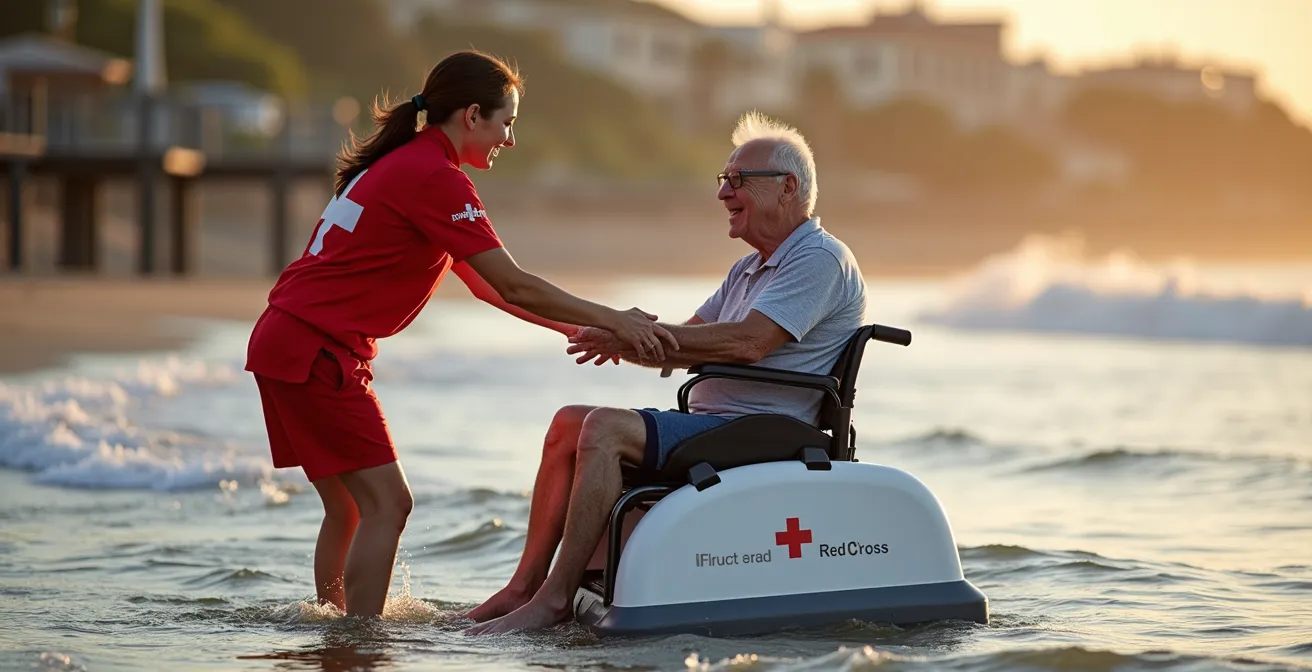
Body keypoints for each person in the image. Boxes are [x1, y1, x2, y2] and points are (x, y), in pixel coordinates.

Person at [244, 50, 678, 618]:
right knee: (389, 505)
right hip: (316, 349)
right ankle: (360, 640)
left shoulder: (404, 162)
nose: (510, 139)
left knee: (350, 507)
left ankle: (335, 630)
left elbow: (489, 288)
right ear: (472, 115)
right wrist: (616, 319)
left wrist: (583, 327)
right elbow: (514, 283)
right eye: (507, 123)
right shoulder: (435, 177)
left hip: (284, 341)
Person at [462, 111, 868, 635]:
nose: (723, 192)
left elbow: (749, 342)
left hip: (767, 429)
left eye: (738, 180)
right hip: (720, 424)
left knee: (605, 428)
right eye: (723, 179)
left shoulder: (820, 258)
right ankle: (524, 588)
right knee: (568, 423)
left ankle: (556, 599)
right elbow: (681, 344)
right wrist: (618, 337)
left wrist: (631, 335)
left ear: (788, 187)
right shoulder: (748, 268)